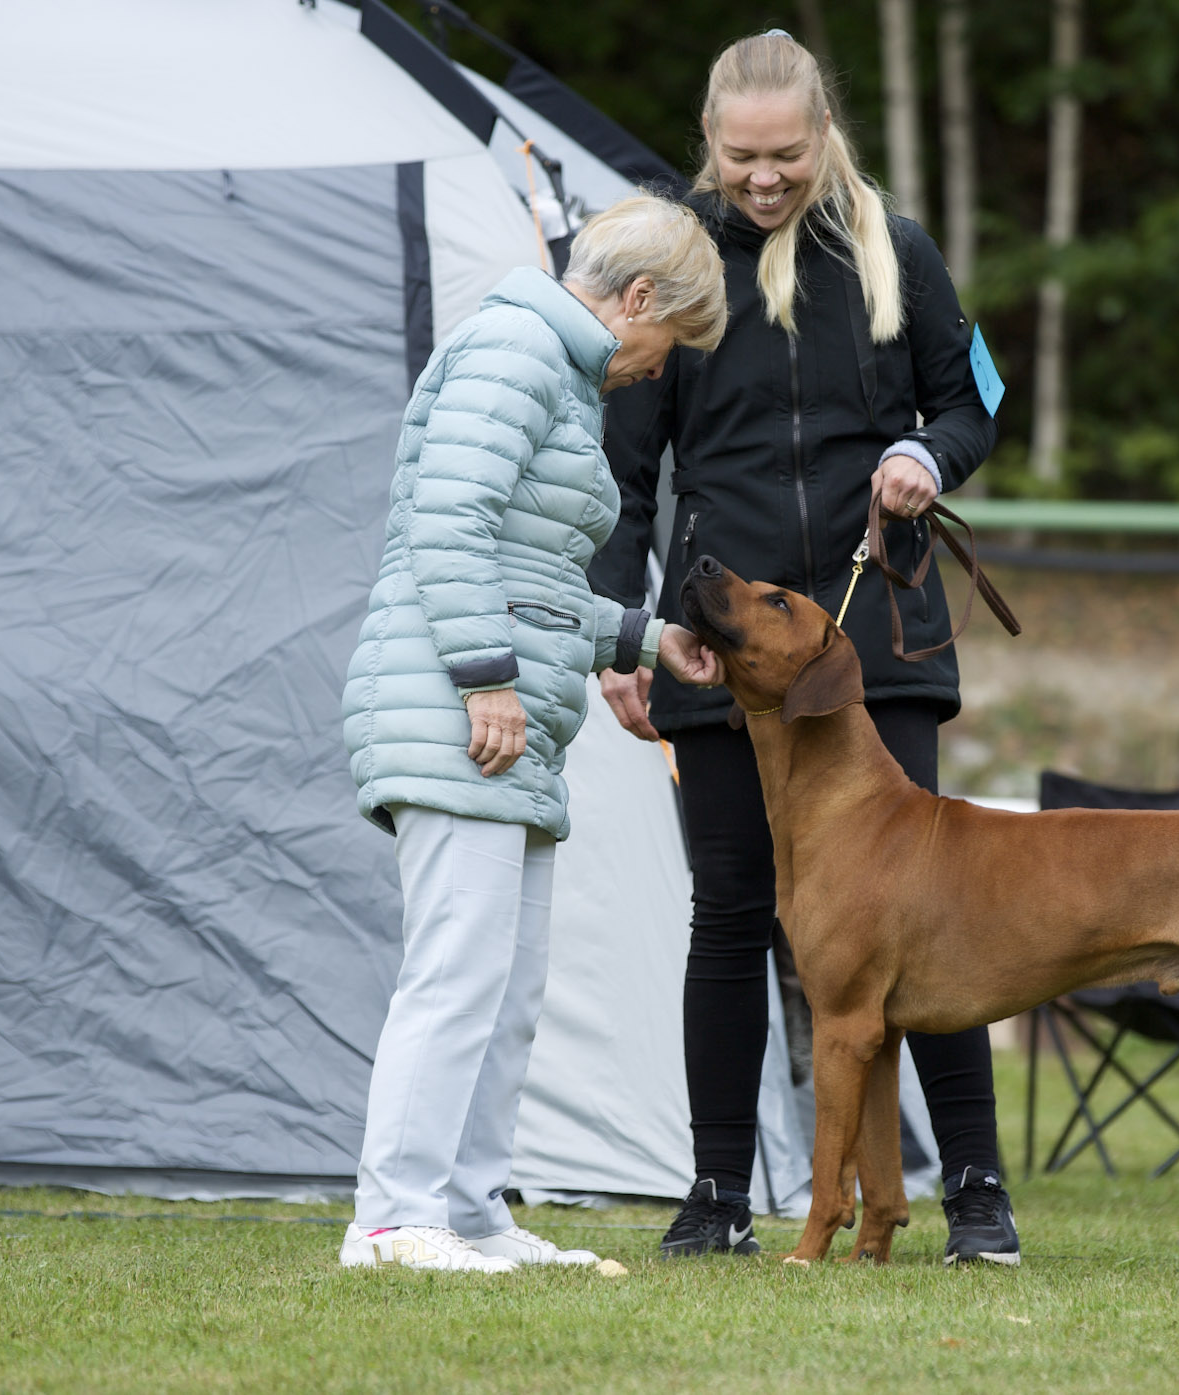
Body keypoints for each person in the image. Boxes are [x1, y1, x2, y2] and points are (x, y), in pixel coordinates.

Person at [592, 31, 1019, 1265]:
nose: (763, 180)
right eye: (739, 158)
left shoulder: (896, 249)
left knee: (932, 920)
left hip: (872, 630)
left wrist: (923, 458)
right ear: (708, 144)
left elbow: (973, 394)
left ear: (822, 137)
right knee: (728, 913)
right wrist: (623, 632)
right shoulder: (668, 264)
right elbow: (626, 470)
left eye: (785, 155)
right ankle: (718, 1193)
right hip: (720, 644)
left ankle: (975, 1193)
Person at [337, 195, 729, 1273]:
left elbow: (537, 581)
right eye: (668, 346)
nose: (658, 370)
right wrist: (484, 680)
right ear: (637, 298)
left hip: (503, 721)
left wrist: (647, 641)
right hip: (454, 711)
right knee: (457, 971)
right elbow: (446, 522)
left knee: (507, 987)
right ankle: (389, 1220)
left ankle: (465, 1212)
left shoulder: (550, 373)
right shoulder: (514, 349)